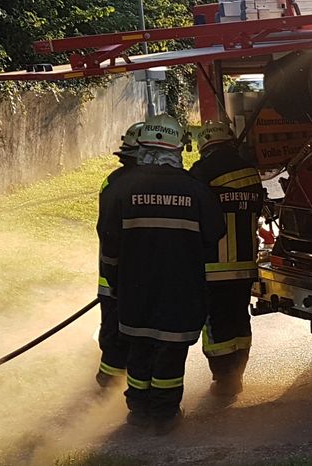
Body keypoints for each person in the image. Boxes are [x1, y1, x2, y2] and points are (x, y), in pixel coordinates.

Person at [98, 114, 224, 434]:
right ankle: (165, 413)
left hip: (133, 289)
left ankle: (139, 409)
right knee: (170, 349)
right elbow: (215, 234)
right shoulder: (195, 191)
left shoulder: (120, 188)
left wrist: (113, 281)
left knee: (139, 344)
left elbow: (108, 241)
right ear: (178, 150)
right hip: (181, 289)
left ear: (142, 148)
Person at [188, 120, 264, 396]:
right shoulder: (250, 171)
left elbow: (192, 213)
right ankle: (237, 375)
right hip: (245, 263)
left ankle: (224, 379)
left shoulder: (201, 172)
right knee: (240, 319)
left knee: (217, 324)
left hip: (214, 266)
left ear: (204, 145)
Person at [95, 122, 142, 389]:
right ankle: (112, 380)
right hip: (126, 272)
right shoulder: (135, 185)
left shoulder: (112, 181)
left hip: (111, 271)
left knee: (113, 324)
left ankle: (109, 378)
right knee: (125, 326)